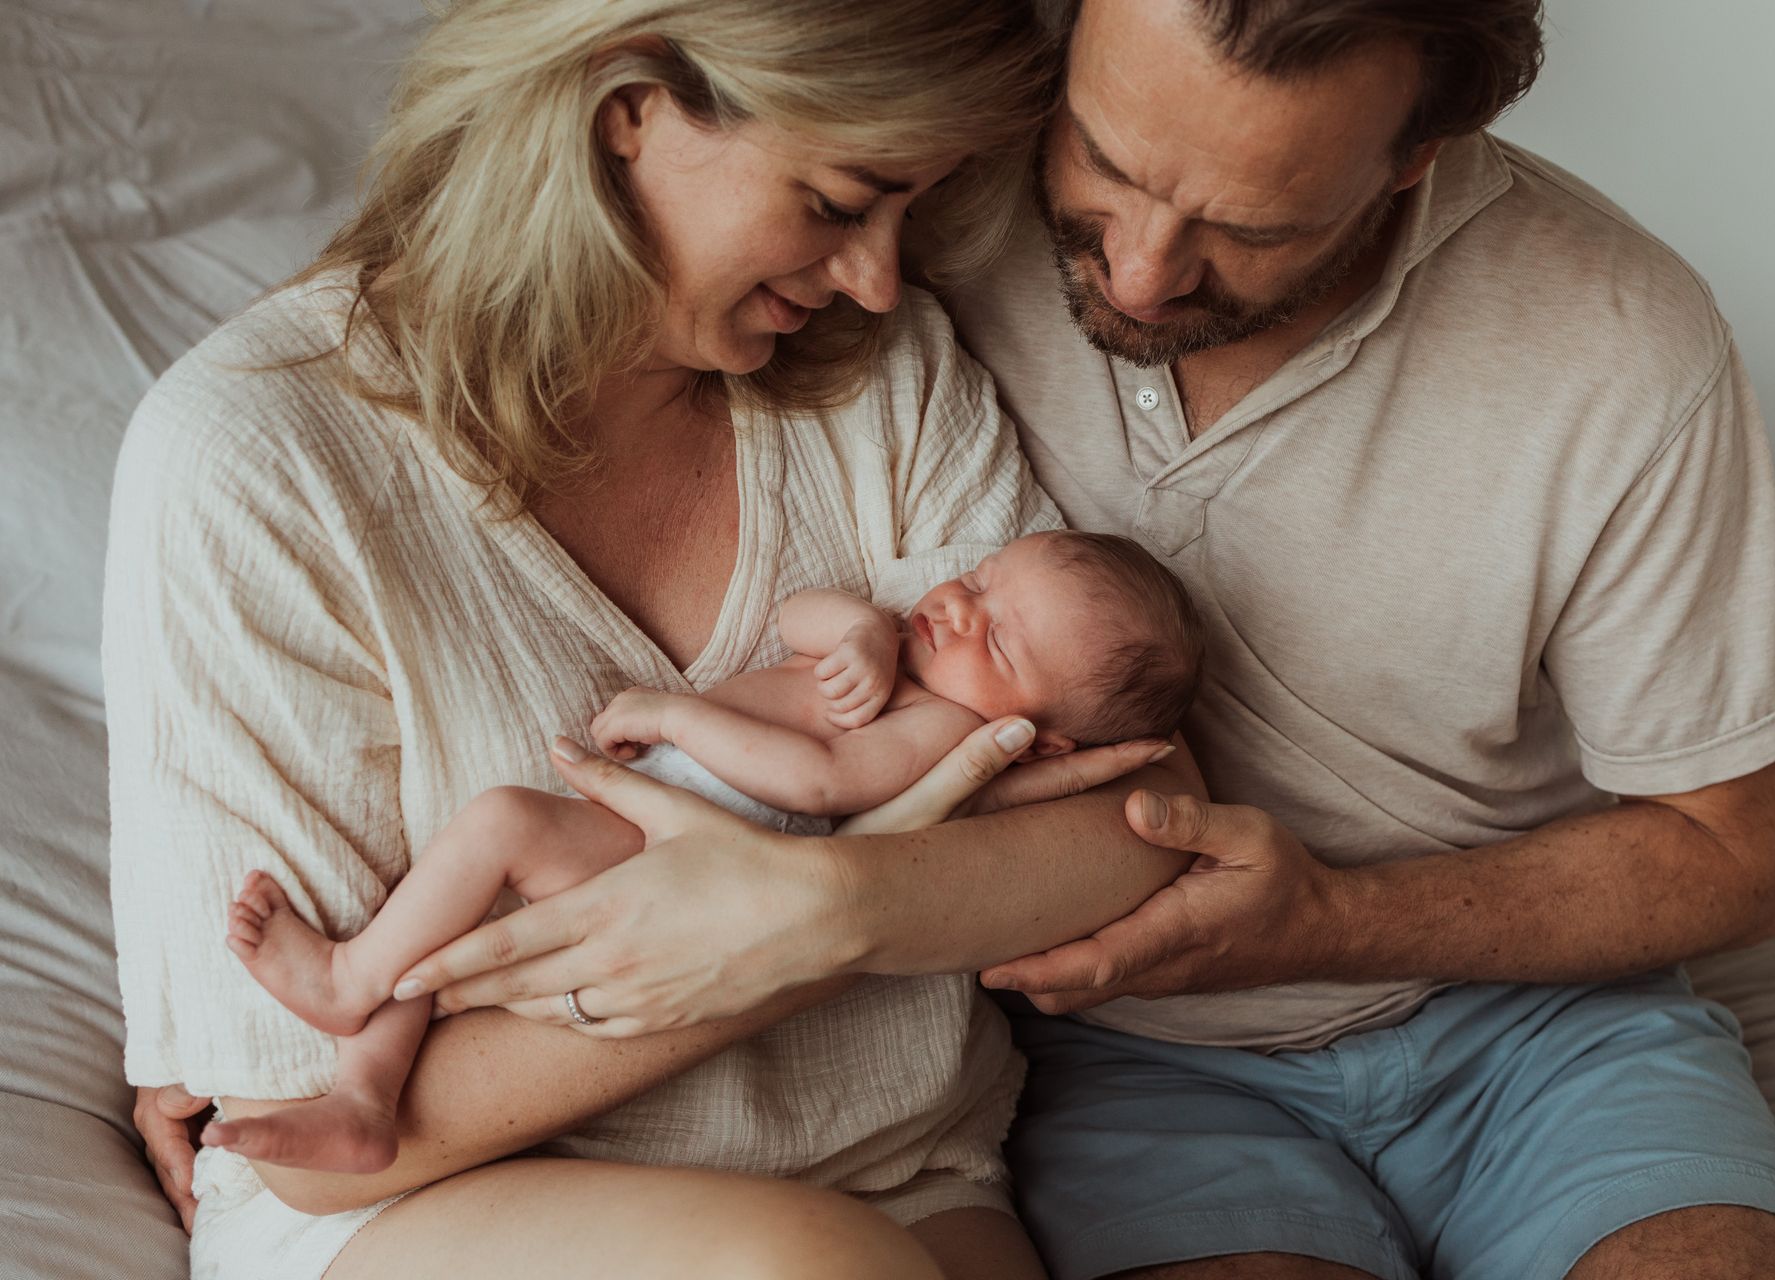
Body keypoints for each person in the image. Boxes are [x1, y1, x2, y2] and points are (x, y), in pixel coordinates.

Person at [336, 2, 1775, 1279]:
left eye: (1253, 226)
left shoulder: (1618, 342)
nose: (1139, 272)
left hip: (1543, 1027)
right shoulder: (924, 221)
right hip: (1136, 1059)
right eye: (1107, 162)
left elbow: (1742, 851)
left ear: (1417, 155)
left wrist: (1331, 922)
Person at [106, 3, 1205, 1278]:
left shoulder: (878, 366)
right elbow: (312, 1133)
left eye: (913, 208)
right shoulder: (258, 463)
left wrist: (823, 911)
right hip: (420, 1199)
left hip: (894, 1160)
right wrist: (774, 943)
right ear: (627, 113)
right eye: (840, 203)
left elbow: (1142, 810)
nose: (878, 279)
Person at [210, 531, 1202, 1175]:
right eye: (981, 578)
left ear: (1044, 739)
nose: (960, 608)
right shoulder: (912, 653)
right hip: (660, 826)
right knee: (446, 916)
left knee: (502, 823)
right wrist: (858, 627)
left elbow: (818, 779)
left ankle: (348, 980)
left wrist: (674, 715)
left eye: (1003, 642)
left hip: (678, 860)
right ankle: (365, 1096)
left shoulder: (944, 727)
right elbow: (793, 615)